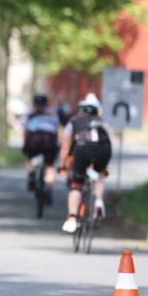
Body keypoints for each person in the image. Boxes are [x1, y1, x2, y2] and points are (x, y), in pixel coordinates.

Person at [58, 93, 112, 233]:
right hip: (104, 149)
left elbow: (65, 147)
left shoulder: (74, 122)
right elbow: (109, 139)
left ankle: (72, 218)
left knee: (76, 184)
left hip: (83, 148)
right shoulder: (103, 122)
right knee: (100, 175)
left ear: (82, 108)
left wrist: (62, 165)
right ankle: (99, 202)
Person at [22, 93, 60, 204]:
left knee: (29, 158)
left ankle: (32, 175)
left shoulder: (29, 115)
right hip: (49, 139)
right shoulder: (52, 115)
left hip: (34, 138)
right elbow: (55, 131)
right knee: (50, 166)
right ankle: (48, 189)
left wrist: (25, 145)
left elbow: (25, 131)